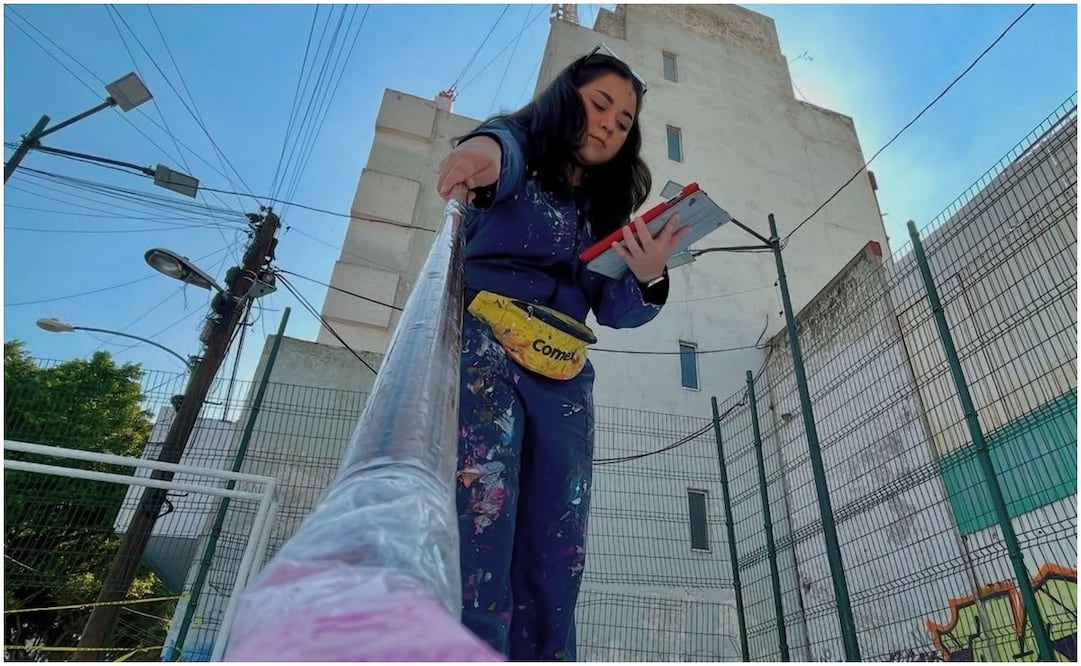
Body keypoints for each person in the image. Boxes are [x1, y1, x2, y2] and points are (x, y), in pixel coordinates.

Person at [435, 46, 689, 661]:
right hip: (486, 350)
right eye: (601, 104)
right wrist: (481, 156)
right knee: (483, 513)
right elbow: (502, 150)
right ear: (563, 99)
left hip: (564, 376)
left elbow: (616, 309)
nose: (609, 123)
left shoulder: (604, 209)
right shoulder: (519, 152)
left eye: (624, 121)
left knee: (559, 541)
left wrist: (650, 275)